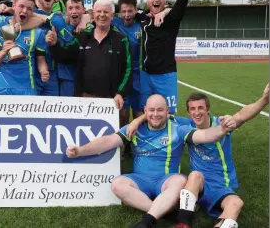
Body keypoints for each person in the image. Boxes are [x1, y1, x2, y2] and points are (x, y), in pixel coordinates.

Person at [66, 94, 235, 228]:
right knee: (117, 184)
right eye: (151, 110)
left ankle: (147, 220)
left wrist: (223, 128)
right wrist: (81, 150)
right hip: (141, 181)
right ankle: (165, 211)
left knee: (180, 180)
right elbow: (108, 141)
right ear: (145, 110)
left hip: (165, 182)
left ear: (167, 110)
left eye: (160, 110)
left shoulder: (178, 128)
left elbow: (205, 135)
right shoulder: (134, 129)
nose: (155, 114)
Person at [126, 85, 269, 228]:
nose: (197, 112)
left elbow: (242, 115)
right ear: (189, 113)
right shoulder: (186, 124)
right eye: (192, 109)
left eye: (201, 108)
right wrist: (136, 121)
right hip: (197, 186)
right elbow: (159, 113)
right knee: (195, 175)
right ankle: (183, 223)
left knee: (237, 203)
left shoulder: (221, 123)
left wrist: (265, 100)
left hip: (220, 185)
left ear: (208, 110)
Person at [47, 0, 132, 108]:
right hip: (84, 99)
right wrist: (54, 45)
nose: (102, 15)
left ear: (112, 15)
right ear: (93, 13)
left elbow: (128, 70)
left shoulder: (121, 39)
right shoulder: (83, 36)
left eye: (106, 12)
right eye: (98, 11)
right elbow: (65, 56)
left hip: (111, 101)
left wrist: (120, 93)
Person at [137, 0, 189, 114]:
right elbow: (122, 11)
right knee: (144, 112)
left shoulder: (171, 19)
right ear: (148, 1)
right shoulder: (142, 18)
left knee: (169, 114)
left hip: (166, 75)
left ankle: (169, 140)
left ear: (164, 0)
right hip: (145, 75)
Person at [0, 0, 49, 95]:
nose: (25, 11)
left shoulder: (38, 33)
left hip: (27, 89)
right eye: (21, 6)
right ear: (13, 6)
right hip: (2, 89)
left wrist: (44, 71)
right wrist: (4, 52)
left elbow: (41, 60)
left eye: (29, 9)